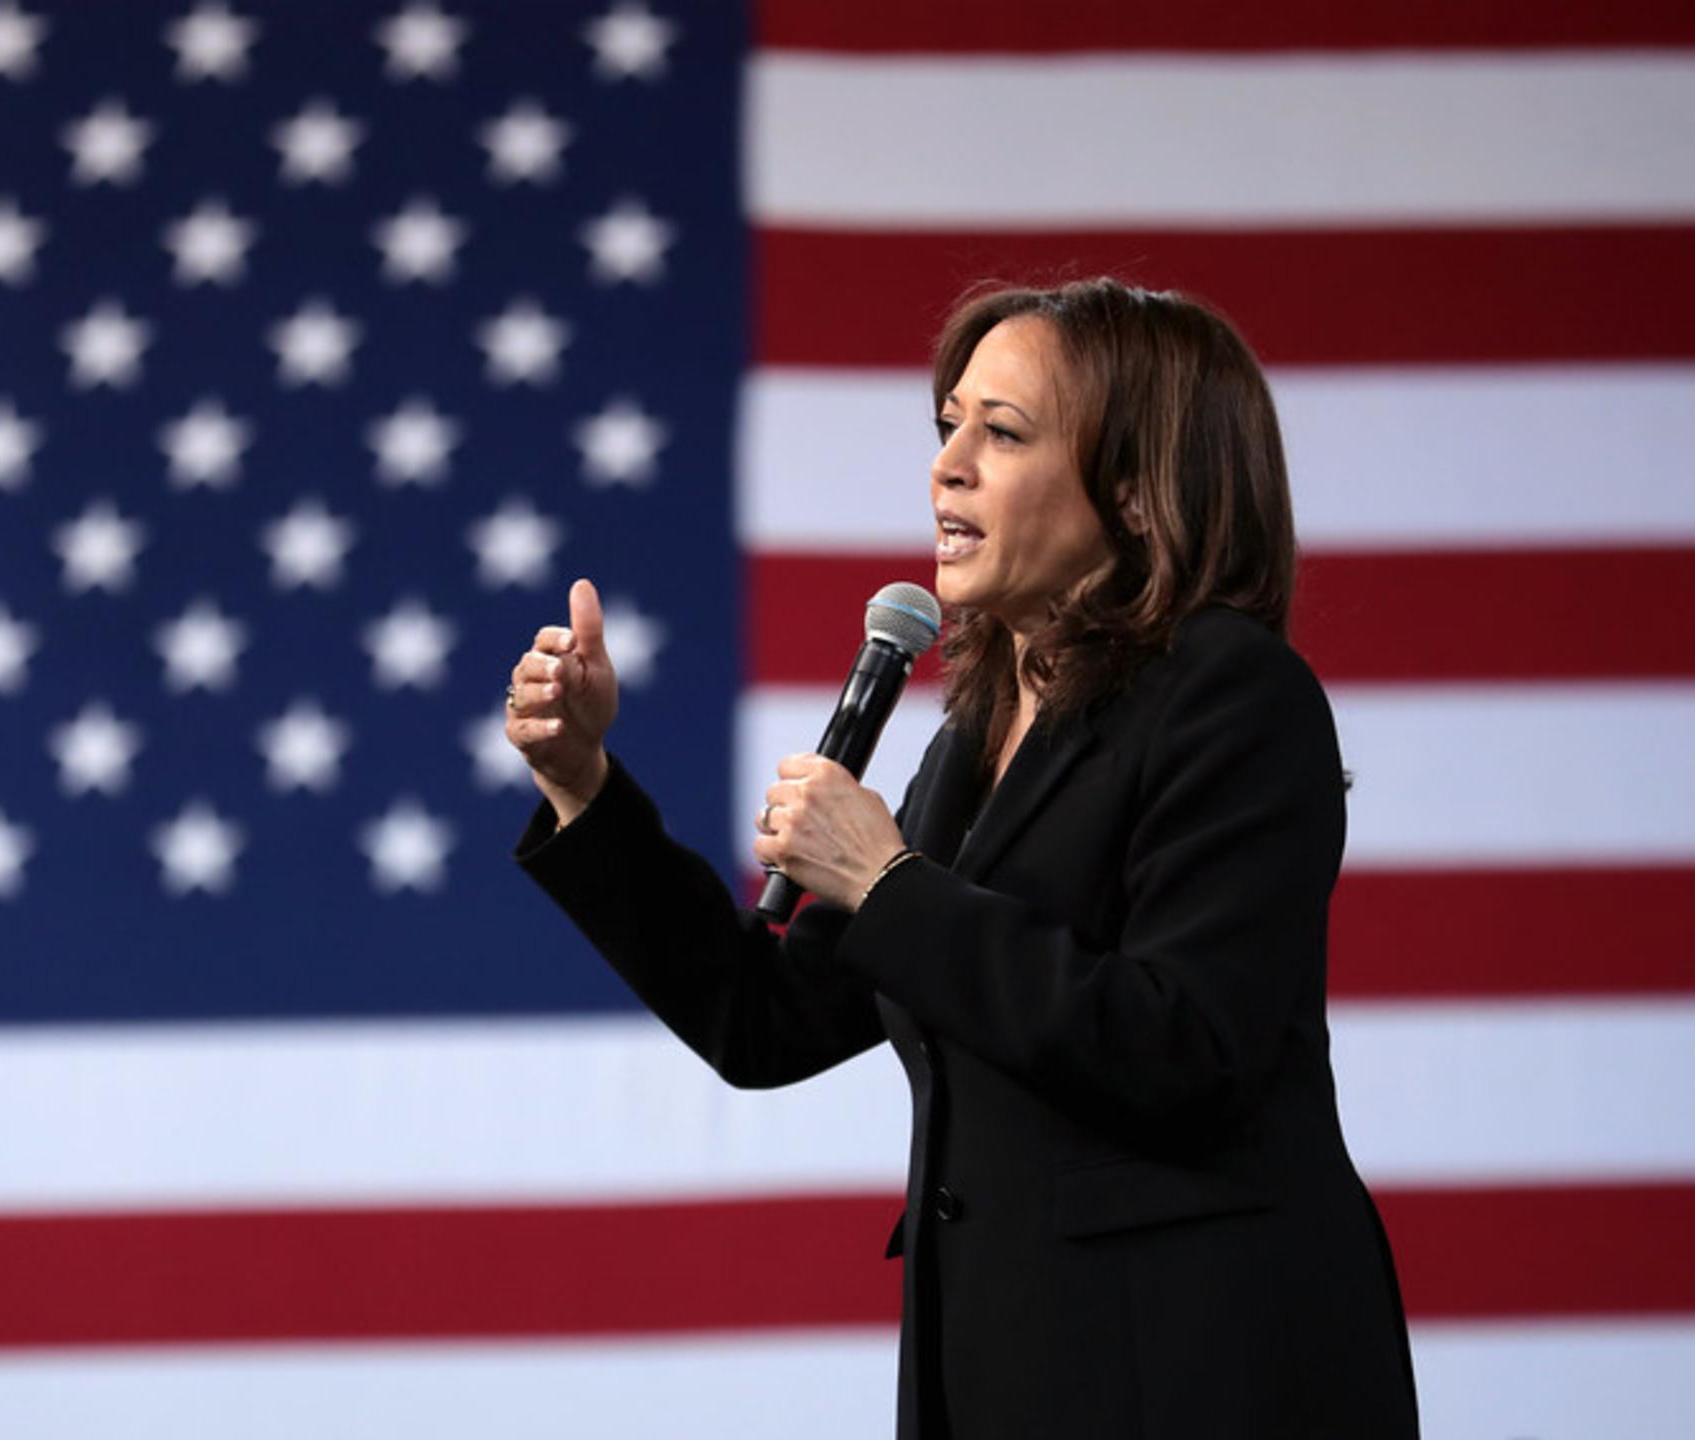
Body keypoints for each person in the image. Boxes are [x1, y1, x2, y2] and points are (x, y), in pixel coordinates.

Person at [504, 278, 1417, 1438]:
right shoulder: (974, 739)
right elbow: (764, 1019)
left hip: (1197, 1369)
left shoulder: (1232, 694)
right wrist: (584, 784)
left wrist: (889, 885)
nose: (947, 466)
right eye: (948, 427)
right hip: (1003, 1372)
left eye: (1004, 432)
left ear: (1135, 491)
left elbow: (1183, 1047)